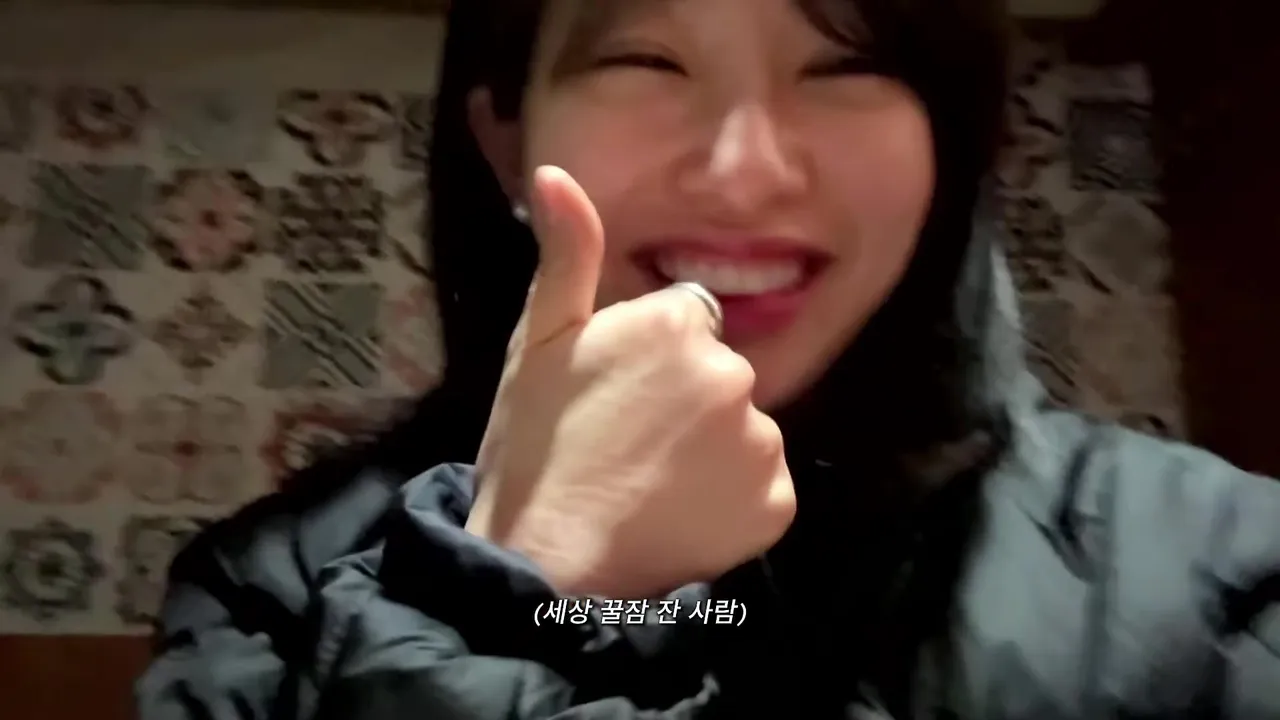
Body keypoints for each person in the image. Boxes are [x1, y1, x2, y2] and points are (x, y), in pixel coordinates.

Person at [136, 0, 1280, 718]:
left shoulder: (1225, 575)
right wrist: (516, 594)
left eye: (844, 64)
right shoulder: (272, 597)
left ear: (952, 140)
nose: (745, 170)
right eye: (644, 56)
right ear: (504, 142)